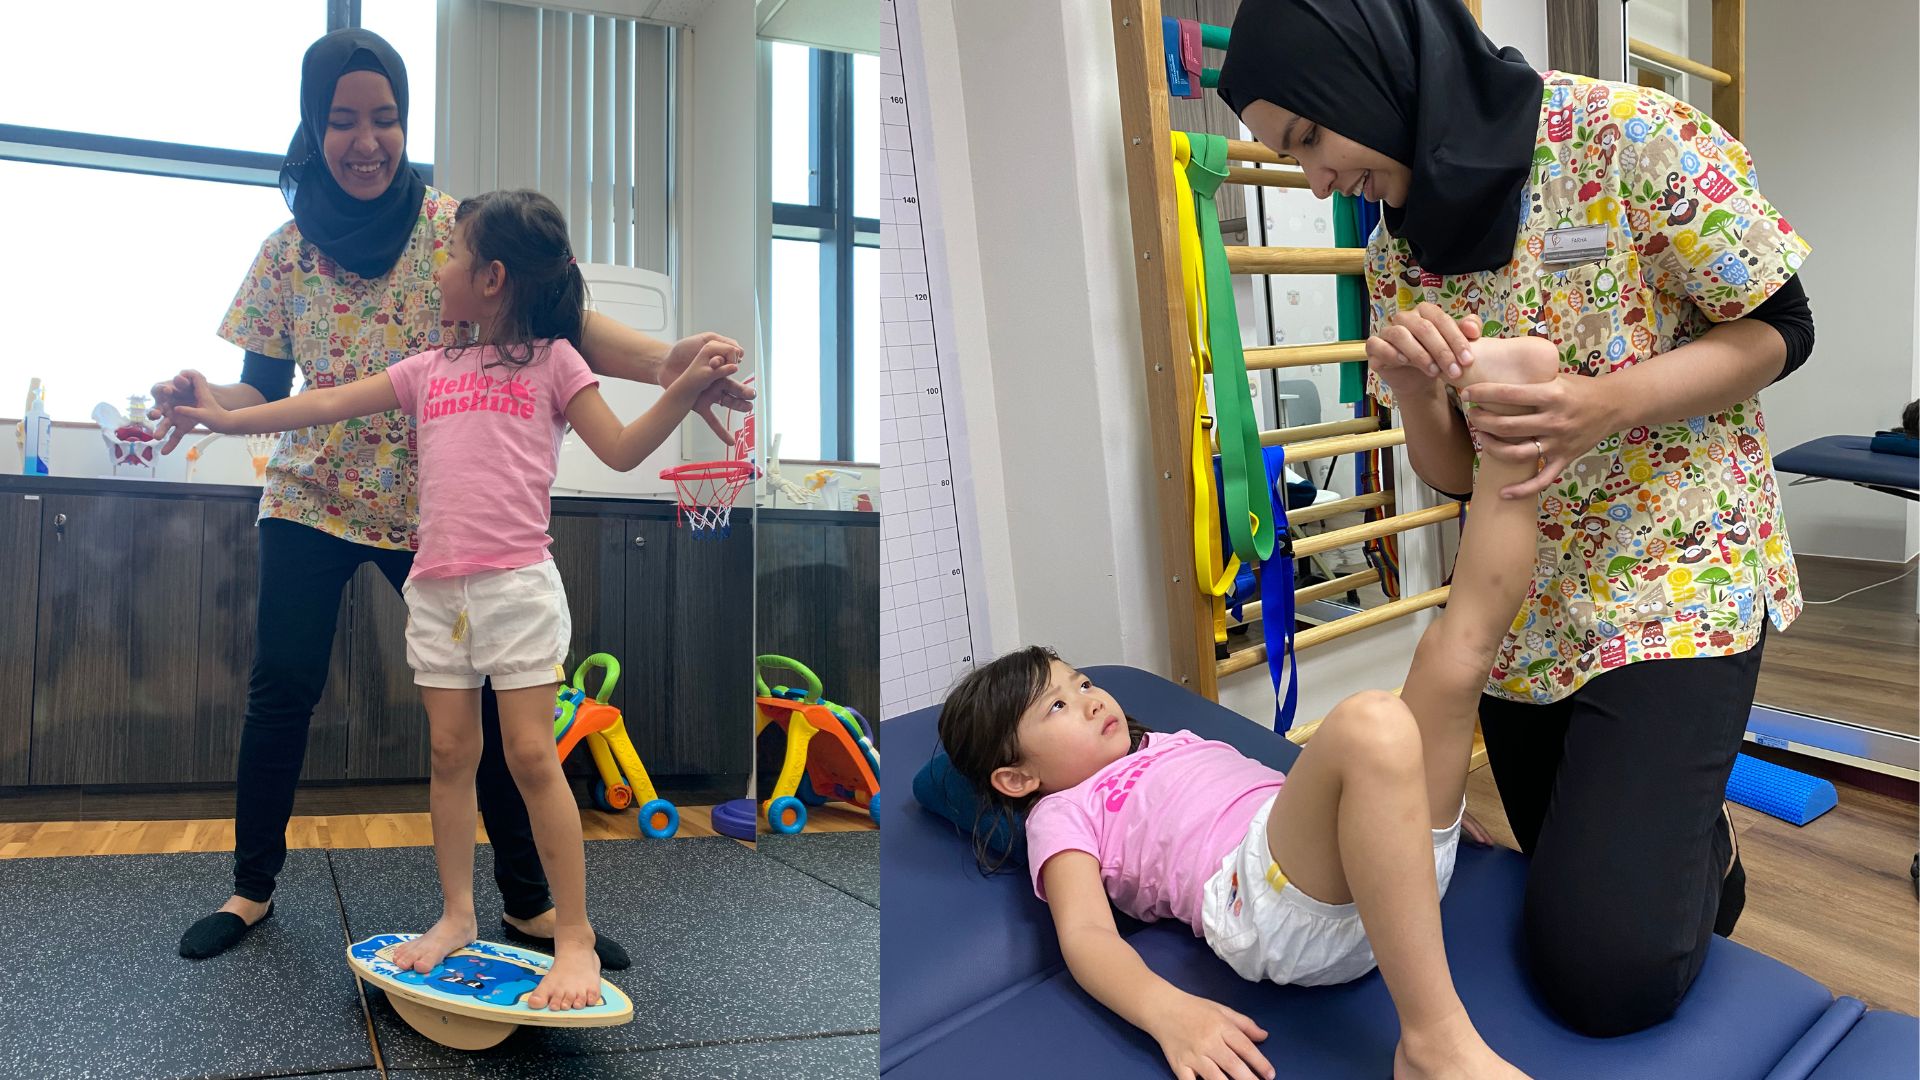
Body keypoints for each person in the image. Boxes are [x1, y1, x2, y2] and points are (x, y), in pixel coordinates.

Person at [1215, 0, 1816, 1036]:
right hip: (1528, 609)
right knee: (1552, 889)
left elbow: (1780, 330)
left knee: (1602, 977)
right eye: (1287, 156)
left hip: (1677, 573)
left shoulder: (1629, 138)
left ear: (1374, 71)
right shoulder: (1399, 250)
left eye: (1309, 138)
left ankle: (1693, 836)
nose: (1313, 181)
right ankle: (1682, 839)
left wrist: (1604, 404)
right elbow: (1454, 475)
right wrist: (1410, 390)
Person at [154, 28, 753, 965]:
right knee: (283, 688)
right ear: (314, 128)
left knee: (500, 719)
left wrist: (667, 365)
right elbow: (266, 390)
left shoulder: (452, 228)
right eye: (343, 120)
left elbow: (564, 323)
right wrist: (209, 404)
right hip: (314, 496)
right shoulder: (285, 254)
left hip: (436, 519)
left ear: (403, 123)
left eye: (385, 118)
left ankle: (530, 905)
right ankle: (250, 888)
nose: (367, 140)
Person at [940, 337, 1557, 1080]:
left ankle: (1511, 432)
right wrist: (1169, 1012)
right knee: (1373, 722)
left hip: (1364, 875)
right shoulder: (1060, 816)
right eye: (1057, 707)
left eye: (1079, 681)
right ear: (1014, 778)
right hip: (1269, 910)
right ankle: (1431, 1044)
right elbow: (1087, 940)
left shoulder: (1159, 742)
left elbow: (1294, 794)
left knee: (1453, 653)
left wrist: (1395, 805)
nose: (1091, 697)